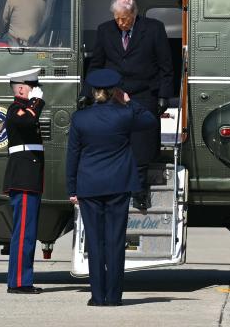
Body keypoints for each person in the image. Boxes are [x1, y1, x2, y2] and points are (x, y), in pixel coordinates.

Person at [67, 69, 157, 306]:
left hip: (89, 186)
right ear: (114, 92)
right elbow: (149, 120)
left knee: (95, 242)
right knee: (116, 241)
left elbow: (72, 156)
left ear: (95, 92)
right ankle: (115, 297)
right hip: (118, 184)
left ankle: (98, 296)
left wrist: (72, 188)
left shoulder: (80, 118)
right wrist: (129, 102)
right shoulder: (124, 115)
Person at [81, 0, 173, 211]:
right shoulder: (105, 30)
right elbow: (96, 64)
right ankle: (115, 186)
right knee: (114, 139)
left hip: (144, 91)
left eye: (125, 19)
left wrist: (164, 95)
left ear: (134, 14)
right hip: (115, 93)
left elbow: (165, 63)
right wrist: (87, 92)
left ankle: (139, 189)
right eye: (117, 19)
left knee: (141, 143)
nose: (121, 23)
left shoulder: (153, 28)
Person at [3, 68, 46, 294]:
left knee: (27, 231)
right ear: (21, 88)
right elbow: (29, 122)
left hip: (29, 178)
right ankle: (20, 282)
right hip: (24, 179)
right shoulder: (16, 110)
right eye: (32, 86)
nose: (36, 90)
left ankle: (19, 280)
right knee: (23, 233)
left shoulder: (25, 109)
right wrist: (36, 101)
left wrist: (36, 101)